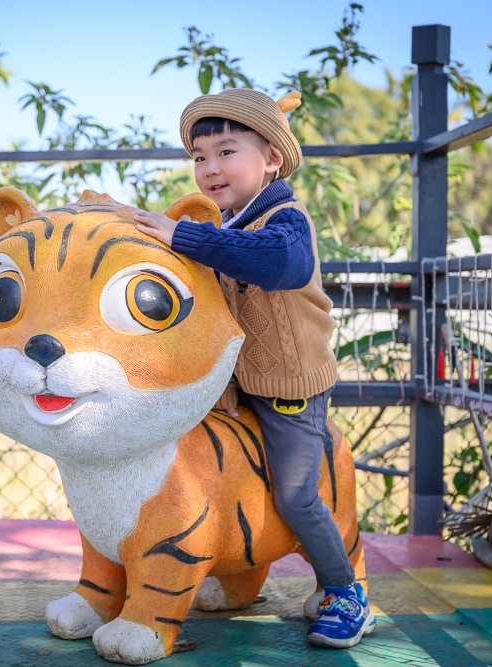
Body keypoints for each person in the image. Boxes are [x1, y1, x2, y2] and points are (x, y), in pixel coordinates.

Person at [133, 87, 376, 649]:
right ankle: (214, 566)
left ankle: (346, 591)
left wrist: (186, 236)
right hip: (235, 384)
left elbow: (278, 266)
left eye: (226, 151)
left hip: (290, 386)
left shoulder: (285, 220)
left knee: (296, 495)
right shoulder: (223, 223)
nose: (210, 167)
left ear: (271, 158)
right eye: (199, 156)